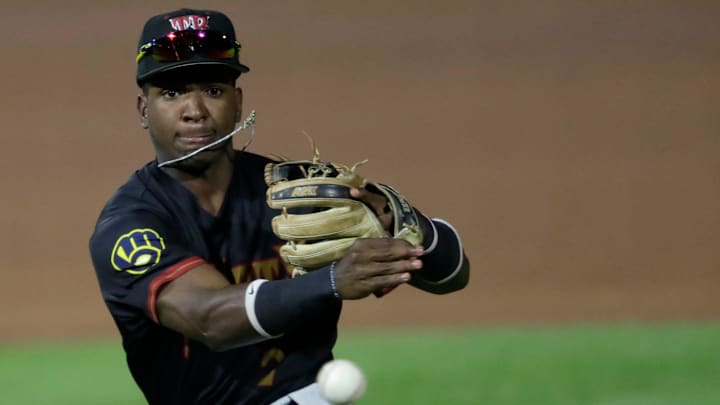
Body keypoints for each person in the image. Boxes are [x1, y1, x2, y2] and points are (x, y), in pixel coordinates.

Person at [89, 8, 470, 405]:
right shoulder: (129, 226)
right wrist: (334, 280)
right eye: (172, 93)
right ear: (143, 111)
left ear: (237, 102)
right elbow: (209, 319)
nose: (195, 110)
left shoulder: (302, 190)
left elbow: (453, 275)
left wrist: (402, 223)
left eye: (213, 90)